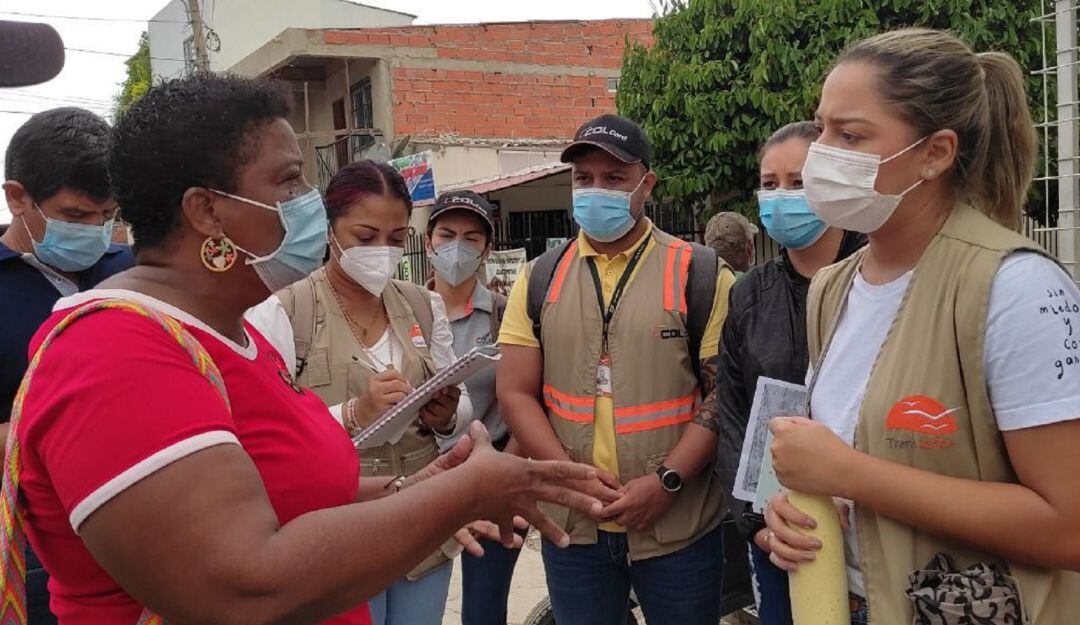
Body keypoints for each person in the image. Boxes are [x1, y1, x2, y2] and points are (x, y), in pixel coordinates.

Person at [1, 72, 602, 625]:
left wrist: (419, 488)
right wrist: (462, 493)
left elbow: (281, 491)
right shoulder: (116, 353)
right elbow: (240, 590)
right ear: (207, 210)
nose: (309, 199)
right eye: (289, 180)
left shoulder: (230, 333)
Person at [764, 28, 1080, 625]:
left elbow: (1070, 527)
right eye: (822, 127)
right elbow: (833, 460)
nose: (818, 153)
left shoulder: (1013, 287)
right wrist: (793, 507)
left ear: (935, 153)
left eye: (850, 135)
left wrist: (848, 474)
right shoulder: (832, 288)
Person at [498, 113, 737, 625]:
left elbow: (723, 394)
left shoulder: (700, 273)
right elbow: (515, 392)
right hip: (576, 530)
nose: (596, 190)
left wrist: (666, 481)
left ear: (646, 184)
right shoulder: (538, 279)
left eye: (613, 178)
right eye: (583, 178)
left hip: (678, 526)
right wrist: (571, 481)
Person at [246, 159, 474, 625]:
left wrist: (447, 415)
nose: (382, 253)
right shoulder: (285, 311)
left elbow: (462, 401)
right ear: (330, 230)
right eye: (365, 237)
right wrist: (354, 413)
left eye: (396, 238)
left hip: (421, 519)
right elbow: (266, 437)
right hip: (335, 528)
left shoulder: (421, 304)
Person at [714, 121, 865, 625]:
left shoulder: (879, 281)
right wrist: (756, 524)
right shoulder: (749, 295)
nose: (783, 197)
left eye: (799, 182)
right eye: (770, 184)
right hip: (779, 530)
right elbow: (734, 414)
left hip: (871, 527)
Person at [0, 106, 134, 625]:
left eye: (108, 215)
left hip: (145, 527)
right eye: (76, 216)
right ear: (17, 198)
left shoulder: (132, 273)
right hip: (34, 546)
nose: (95, 231)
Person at [423, 190, 522, 625]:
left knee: (484, 612)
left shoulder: (505, 315)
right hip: (424, 481)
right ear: (428, 241)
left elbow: (527, 401)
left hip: (493, 478)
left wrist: (505, 474)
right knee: (415, 608)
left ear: (487, 248)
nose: (457, 248)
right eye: (447, 235)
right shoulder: (402, 310)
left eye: (471, 237)